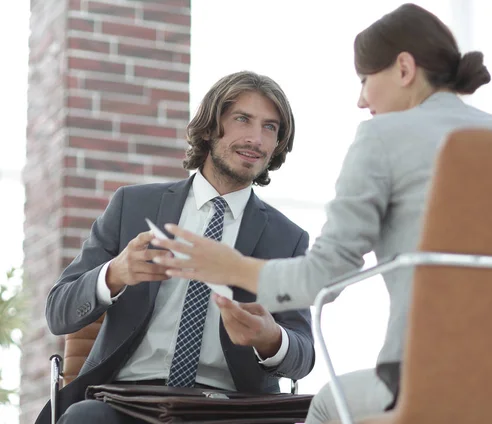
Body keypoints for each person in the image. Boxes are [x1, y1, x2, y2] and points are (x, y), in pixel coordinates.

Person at [150, 3, 492, 423]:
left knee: (325, 407)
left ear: (404, 69)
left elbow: (323, 278)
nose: (360, 100)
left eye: (365, 80)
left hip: (433, 379)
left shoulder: (383, 137)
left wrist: (232, 267)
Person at [35, 71, 315, 424]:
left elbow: (303, 355)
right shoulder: (132, 207)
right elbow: (58, 313)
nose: (255, 139)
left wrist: (271, 338)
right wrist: (115, 274)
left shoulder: (287, 239)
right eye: (242, 119)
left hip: (230, 409)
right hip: (127, 401)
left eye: (270, 127)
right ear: (211, 127)